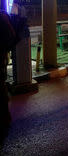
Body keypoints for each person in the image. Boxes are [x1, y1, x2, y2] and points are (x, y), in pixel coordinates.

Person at [0, 10, 16, 142]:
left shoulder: (2, 16)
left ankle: (5, 120)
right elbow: (12, 36)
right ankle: (5, 119)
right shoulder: (3, 15)